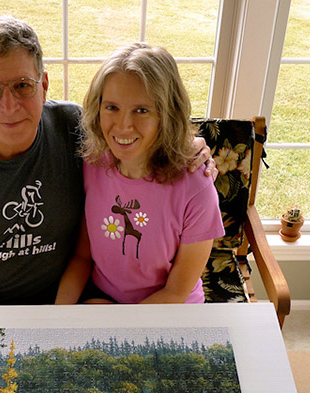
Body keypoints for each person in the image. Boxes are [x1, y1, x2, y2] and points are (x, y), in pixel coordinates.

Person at [0, 16, 215, 306]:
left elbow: (130, 130)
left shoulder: (73, 130)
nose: (9, 106)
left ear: (44, 85)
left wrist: (189, 145)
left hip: (74, 301)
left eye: (22, 85)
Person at [56, 43, 224, 305]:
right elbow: (82, 257)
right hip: (101, 301)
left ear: (167, 114)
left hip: (168, 310)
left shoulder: (197, 189)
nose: (123, 126)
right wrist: (59, 316)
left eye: (142, 110)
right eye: (112, 107)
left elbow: (176, 293)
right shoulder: (93, 163)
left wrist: (118, 325)